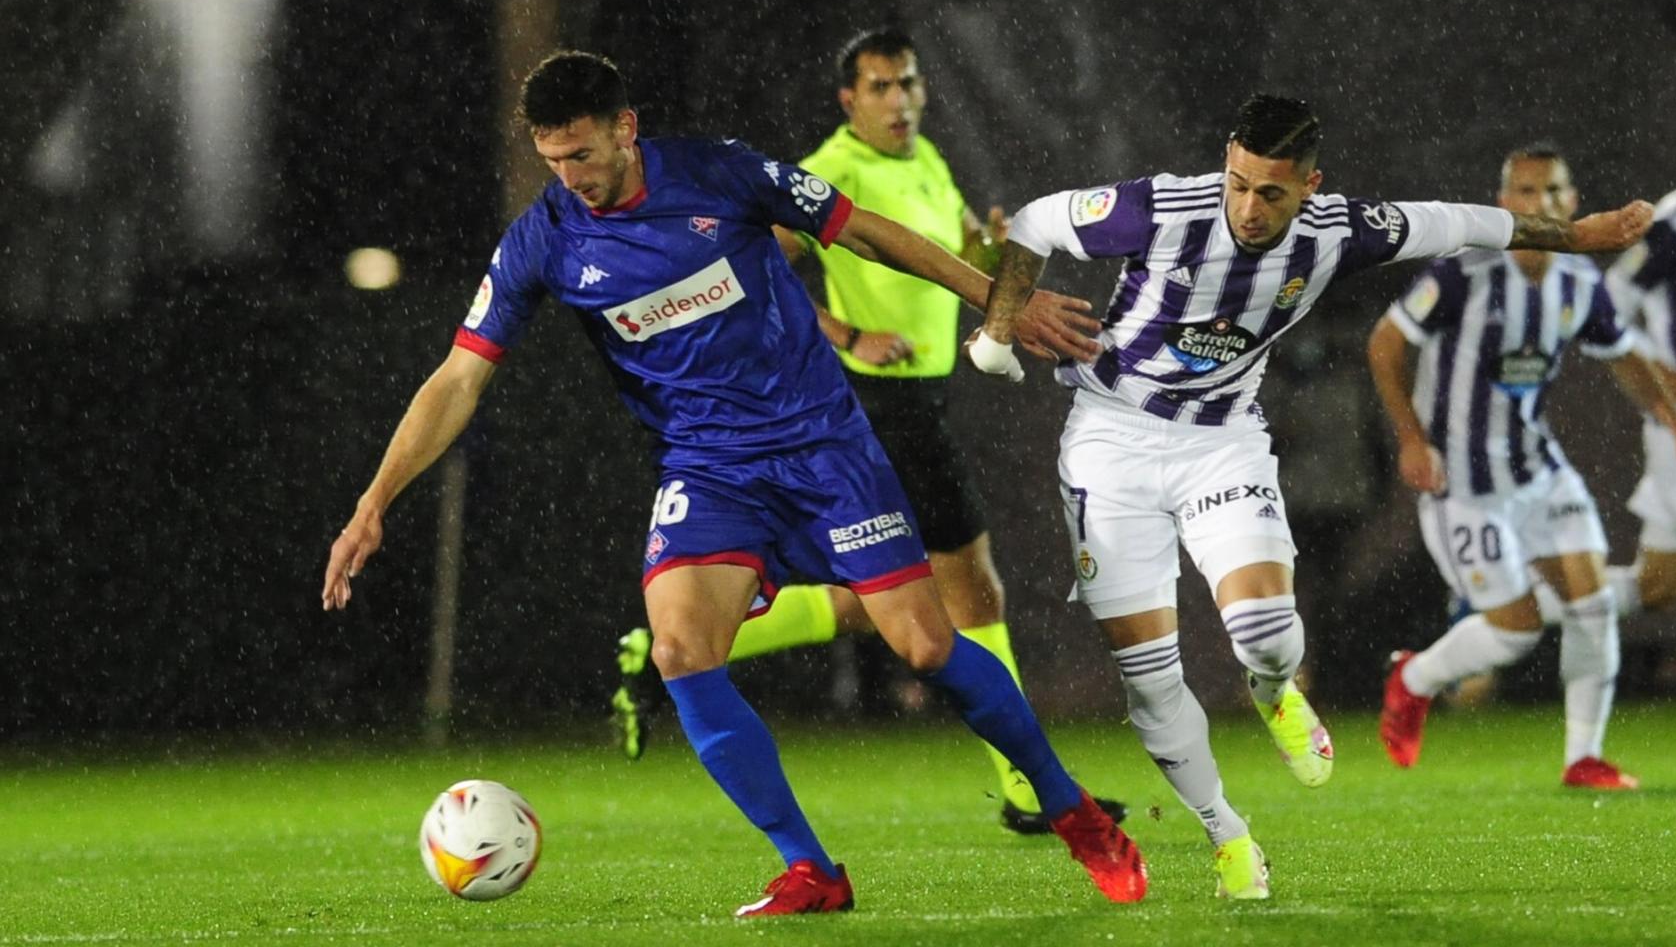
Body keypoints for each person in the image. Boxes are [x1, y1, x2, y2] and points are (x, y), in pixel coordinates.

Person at [319, 50, 1145, 917]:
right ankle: (811, 870)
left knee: (927, 646)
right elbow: (458, 377)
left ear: (626, 129)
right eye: (553, 161)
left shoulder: (721, 172)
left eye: (585, 157)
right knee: (680, 651)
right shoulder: (545, 238)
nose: (572, 179)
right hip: (707, 469)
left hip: (823, 445)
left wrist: (998, 302)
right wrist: (374, 503)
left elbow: (865, 230)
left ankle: (1070, 810)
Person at [965, 95, 1654, 898]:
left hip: (1221, 443)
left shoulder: (1341, 230)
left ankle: (1273, 690)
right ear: (1227, 161)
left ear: (1311, 186)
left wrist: (1581, 235)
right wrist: (998, 329)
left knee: (1264, 635)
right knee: (1150, 677)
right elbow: (1038, 223)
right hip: (1109, 442)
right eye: (1240, 184)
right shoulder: (1164, 208)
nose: (1250, 209)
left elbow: (1464, 222)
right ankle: (1229, 835)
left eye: (1273, 194)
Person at [608, 26, 1126, 835]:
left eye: (908, 84)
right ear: (850, 100)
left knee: (884, 603)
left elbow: (954, 244)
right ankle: (1028, 789)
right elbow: (745, 275)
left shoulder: (924, 160)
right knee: (966, 590)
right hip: (864, 405)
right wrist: (848, 336)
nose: (899, 101)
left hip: (924, 397)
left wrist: (989, 247)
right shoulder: (832, 170)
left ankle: (670, 653)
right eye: (880, 88)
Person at [1366, 144, 1676, 789]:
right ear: (1503, 203)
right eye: (1524, 192)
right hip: (1461, 480)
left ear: (1572, 202)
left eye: (1551, 192)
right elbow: (1384, 347)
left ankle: (1584, 758)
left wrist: (1674, 426)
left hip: (1537, 467)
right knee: (1515, 629)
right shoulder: (1463, 273)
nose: (1539, 204)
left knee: (1594, 603)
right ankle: (1412, 679)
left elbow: (1624, 355)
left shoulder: (1580, 283)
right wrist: (1411, 439)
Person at [1523, 104, 1676, 631]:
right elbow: (1609, 305)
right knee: (1661, 584)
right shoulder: (1675, 228)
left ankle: (1511, 612)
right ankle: (1507, 614)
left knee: (1663, 585)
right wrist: (1667, 376)